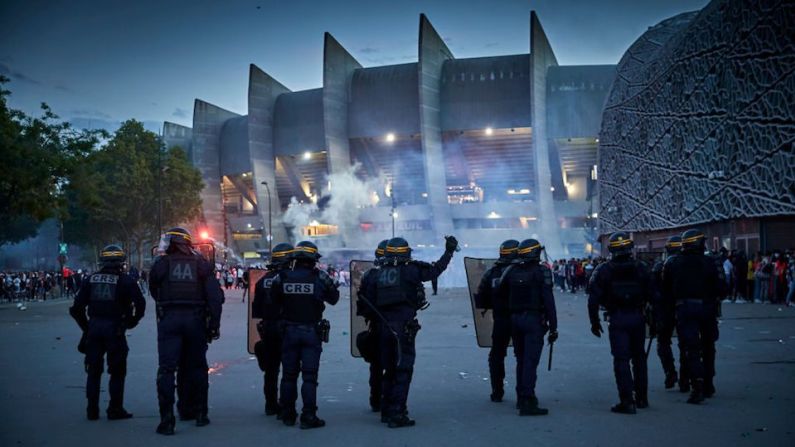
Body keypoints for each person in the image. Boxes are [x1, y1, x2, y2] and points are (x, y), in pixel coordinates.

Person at [365, 235, 458, 428]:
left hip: (383, 327)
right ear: (405, 252)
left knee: (389, 369)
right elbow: (435, 271)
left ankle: (386, 409)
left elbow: (367, 303)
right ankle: (397, 413)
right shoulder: (411, 270)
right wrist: (448, 252)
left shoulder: (376, 274)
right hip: (402, 327)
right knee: (403, 369)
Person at [149, 227, 223, 435]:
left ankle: (167, 420)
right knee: (197, 367)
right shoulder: (201, 264)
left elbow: (154, 290)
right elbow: (215, 298)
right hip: (195, 320)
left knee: (167, 369)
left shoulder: (161, 264)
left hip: (169, 319)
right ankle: (200, 414)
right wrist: (213, 325)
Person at [69, 245, 146, 420]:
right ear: (121, 262)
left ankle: (92, 410)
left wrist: (87, 328)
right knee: (117, 371)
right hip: (116, 329)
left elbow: (76, 309)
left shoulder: (90, 279)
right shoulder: (126, 280)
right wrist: (131, 322)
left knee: (93, 371)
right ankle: (115, 409)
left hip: (94, 328)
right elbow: (140, 304)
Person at [271, 241, 340, 429]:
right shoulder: (320, 277)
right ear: (312, 260)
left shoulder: (282, 276)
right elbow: (334, 298)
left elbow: (273, 299)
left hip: (289, 332)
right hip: (311, 331)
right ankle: (308, 416)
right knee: (309, 377)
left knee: (288, 375)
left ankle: (288, 414)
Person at [588, 232, 651, 414]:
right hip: (638, 317)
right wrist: (657, 319)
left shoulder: (603, 270)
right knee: (639, 358)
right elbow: (655, 295)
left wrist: (594, 322)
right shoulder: (642, 267)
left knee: (621, 359)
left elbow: (593, 299)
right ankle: (642, 398)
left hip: (617, 317)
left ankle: (627, 401)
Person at [662, 229, 725, 404]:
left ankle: (696, 384)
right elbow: (722, 288)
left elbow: (665, 291)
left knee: (691, 348)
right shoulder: (711, 262)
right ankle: (708, 383)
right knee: (708, 346)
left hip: (685, 308)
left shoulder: (673, 263)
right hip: (707, 308)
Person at [496, 239, 557, 415]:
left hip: (515, 320)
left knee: (521, 360)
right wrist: (554, 327)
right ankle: (528, 400)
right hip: (533, 320)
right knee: (530, 361)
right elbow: (549, 301)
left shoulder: (511, 270)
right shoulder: (542, 271)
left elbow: (499, 292)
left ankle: (521, 396)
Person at [474, 239, 519, 403]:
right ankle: (524, 394)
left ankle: (497, 392)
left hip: (500, 319)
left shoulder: (492, 272)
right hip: (519, 317)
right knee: (522, 356)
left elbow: (481, 296)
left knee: (496, 356)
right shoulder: (522, 271)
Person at [252, 243, 294, 416]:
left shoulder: (263, 280)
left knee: (271, 370)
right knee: (289, 370)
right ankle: (286, 405)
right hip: (288, 327)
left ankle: (270, 404)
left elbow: (257, 310)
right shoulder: (291, 278)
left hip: (268, 328)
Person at [356, 240, 389, 413]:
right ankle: (391, 404)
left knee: (376, 366)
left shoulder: (369, 275)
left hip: (375, 327)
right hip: (395, 329)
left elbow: (361, 304)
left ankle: (375, 401)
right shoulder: (401, 275)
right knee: (394, 366)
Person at [650, 236, 685, 390]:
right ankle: (686, 378)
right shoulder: (690, 264)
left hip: (666, 310)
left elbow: (653, 291)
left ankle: (670, 373)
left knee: (663, 343)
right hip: (684, 308)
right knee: (687, 344)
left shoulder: (660, 266)